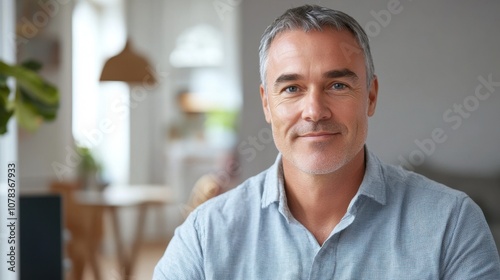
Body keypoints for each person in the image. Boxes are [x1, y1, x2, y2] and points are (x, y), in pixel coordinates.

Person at [154, 5, 500, 279]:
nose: (315, 111)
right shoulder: (204, 235)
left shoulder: (452, 224)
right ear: (266, 104)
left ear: (371, 96)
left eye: (337, 86)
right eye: (291, 88)